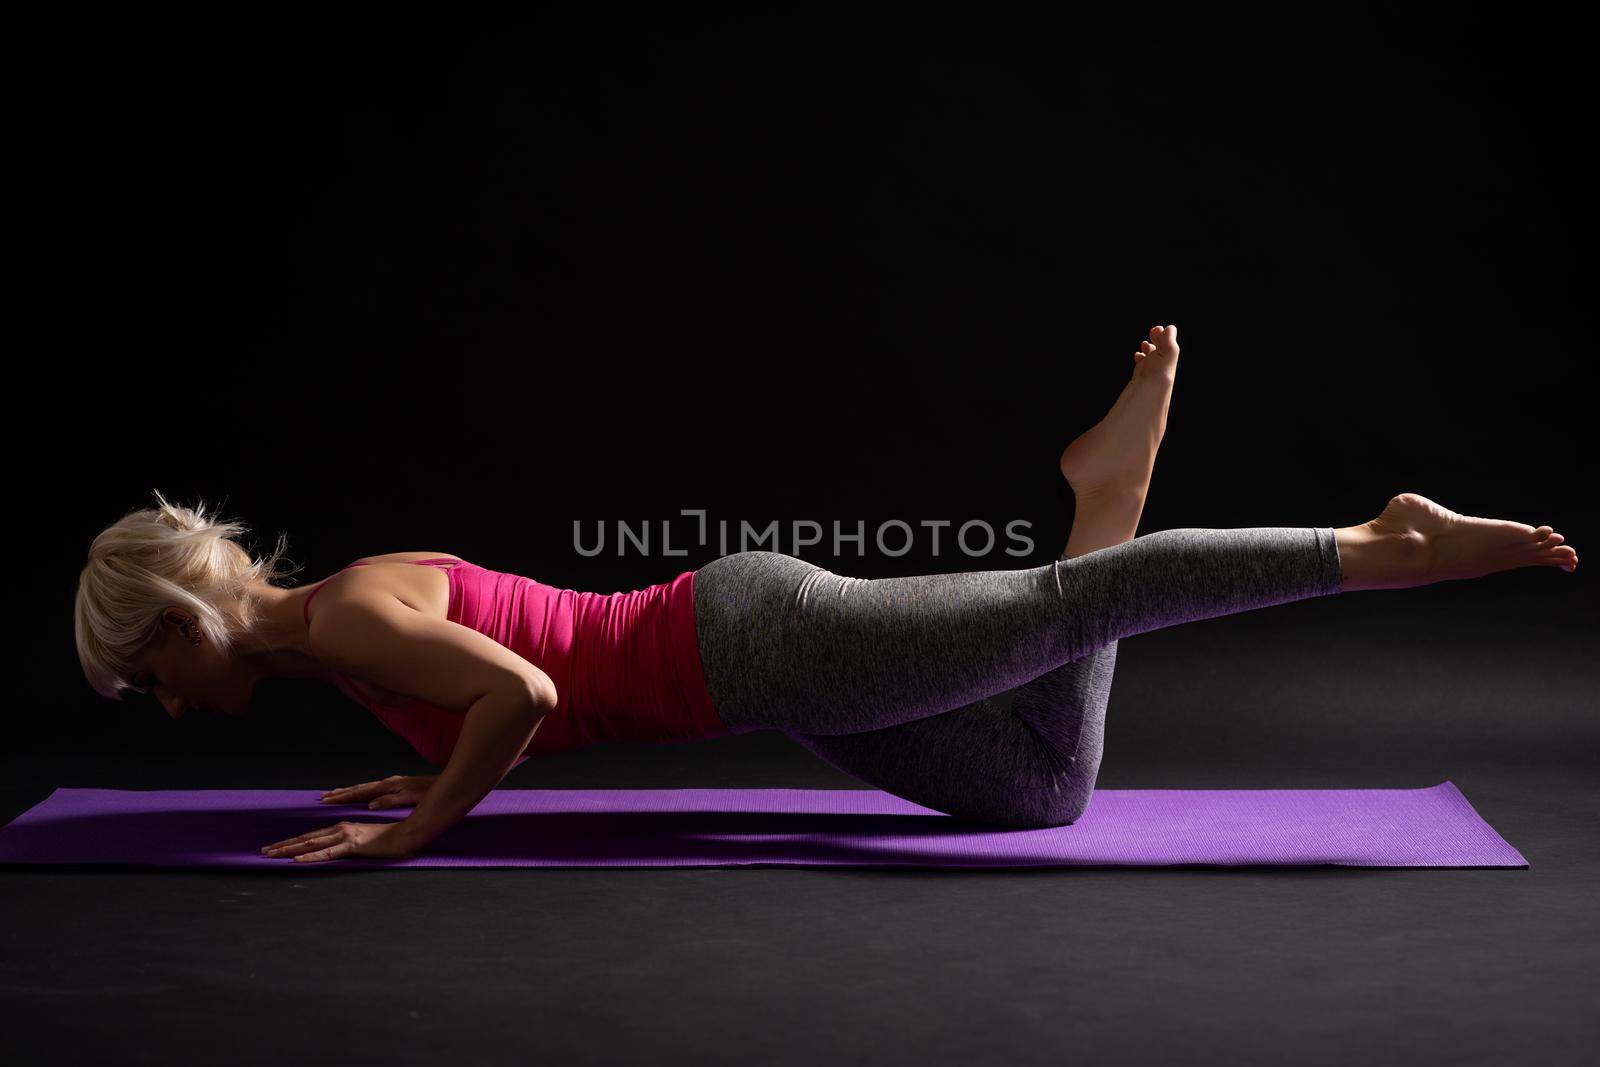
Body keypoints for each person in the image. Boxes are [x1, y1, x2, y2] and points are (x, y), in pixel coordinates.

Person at [73, 325, 1578, 863]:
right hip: (760, 686)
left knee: (1068, 618)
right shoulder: (338, 634)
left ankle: (1379, 542)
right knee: (1040, 792)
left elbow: (527, 693)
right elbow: (498, 686)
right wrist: (411, 764)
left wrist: (410, 831)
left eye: (149, 682)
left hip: (747, 642)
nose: (165, 708)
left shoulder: (339, 625)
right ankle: (1102, 494)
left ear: (182, 632)